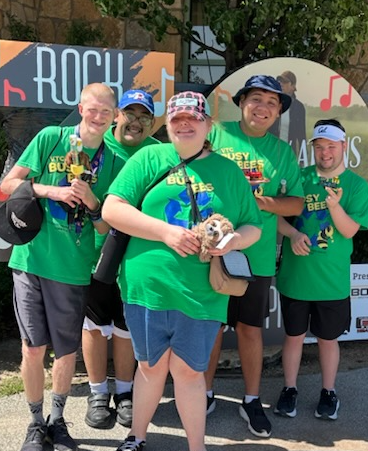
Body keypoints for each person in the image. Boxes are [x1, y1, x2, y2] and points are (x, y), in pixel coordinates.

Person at [103, 91, 262, 451]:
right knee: (151, 367)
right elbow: (112, 208)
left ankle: (196, 447)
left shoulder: (227, 171)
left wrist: (233, 241)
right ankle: (137, 437)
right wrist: (166, 232)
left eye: (193, 118)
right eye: (177, 119)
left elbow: (254, 226)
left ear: (208, 125)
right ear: (168, 125)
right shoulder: (150, 157)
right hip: (149, 287)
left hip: (204, 291)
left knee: (190, 371)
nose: (185, 124)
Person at [0, 83, 121, 451]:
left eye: (106, 112)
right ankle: (35, 423)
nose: (98, 117)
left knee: (66, 352)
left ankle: (57, 419)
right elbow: (8, 185)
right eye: (92, 109)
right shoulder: (51, 137)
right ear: (81, 108)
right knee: (33, 349)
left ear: (114, 116)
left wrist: (93, 201)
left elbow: (106, 227)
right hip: (31, 260)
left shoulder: (115, 162)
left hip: (72, 267)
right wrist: (51, 191)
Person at [205, 75, 305, 438]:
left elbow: (296, 202)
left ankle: (251, 400)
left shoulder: (281, 152)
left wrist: (260, 202)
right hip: (211, 252)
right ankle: (203, 394)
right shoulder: (215, 133)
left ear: (278, 112)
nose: (263, 108)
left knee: (250, 329)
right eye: (256, 99)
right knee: (210, 326)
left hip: (256, 258)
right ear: (242, 101)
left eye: (272, 103)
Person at [273, 119, 368, 421]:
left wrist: (333, 206)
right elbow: (275, 214)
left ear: (343, 146)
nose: (325, 152)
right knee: (294, 336)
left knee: (329, 339)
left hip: (332, 281)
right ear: (312, 148)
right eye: (319, 146)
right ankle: (290, 389)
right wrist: (292, 235)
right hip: (296, 278)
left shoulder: (356, 185)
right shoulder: (299, 178)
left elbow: (349, 230)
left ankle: (329, 392)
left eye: (331, 146)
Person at [82, 90, 160, 430]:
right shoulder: (96, 148)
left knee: (128, 326)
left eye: (144, 116)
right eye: (130, 113)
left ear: (153, 123)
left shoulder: (159, 154)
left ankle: (126, 393)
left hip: (139, 254)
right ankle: (98, 393)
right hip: (95, 252)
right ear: (116, 115)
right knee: (96, 324)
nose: (136, 122)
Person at [269, 70, 307, 153]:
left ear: (293, 86)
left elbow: (301, 135)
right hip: (270, 151)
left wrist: (303, 159)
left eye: (285, 82)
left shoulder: (299, 107)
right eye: (280, 81)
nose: (281, 84)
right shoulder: (272, 104)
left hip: (289, 153)